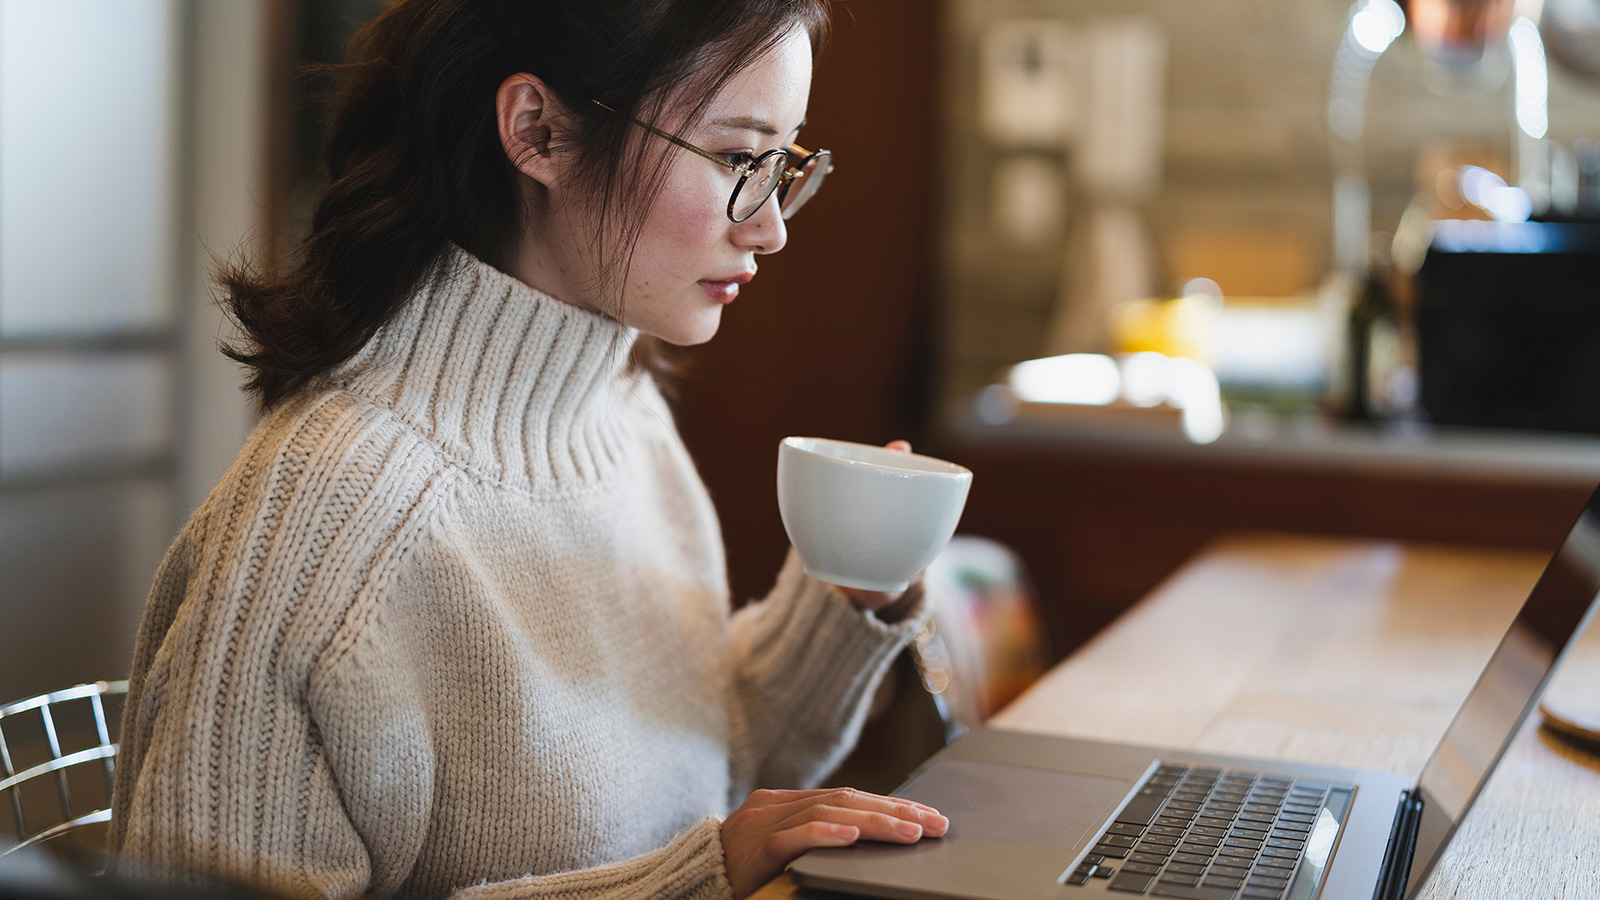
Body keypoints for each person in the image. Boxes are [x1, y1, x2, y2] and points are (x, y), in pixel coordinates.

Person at [106, 1, 947, 899]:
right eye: (740, 159)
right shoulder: (323, 525)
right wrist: (689, 883)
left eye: (784, 163)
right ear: (537, 131)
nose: (771, 225)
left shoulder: (622, 416)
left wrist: (846, 602)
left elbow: (698, 769)